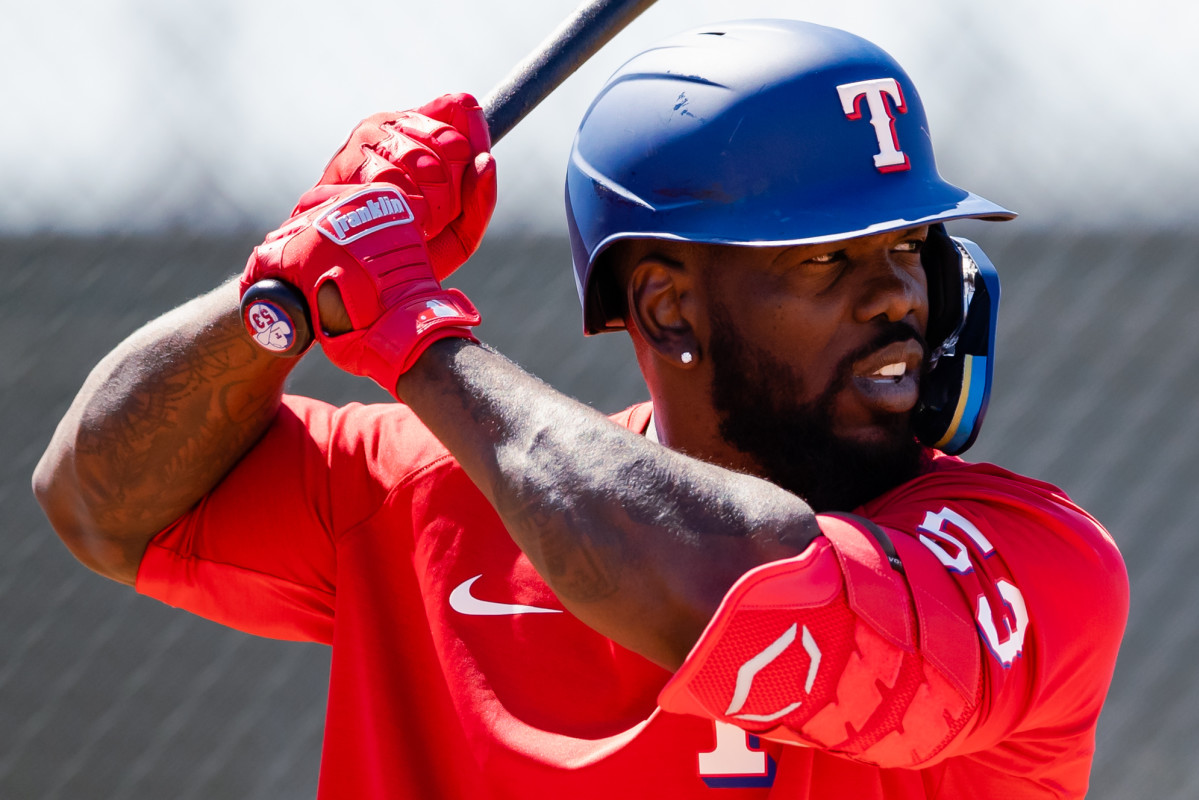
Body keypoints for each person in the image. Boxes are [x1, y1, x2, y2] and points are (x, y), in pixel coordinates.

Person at [33, 19, 1127, 799]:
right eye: (828, 256)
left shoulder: (1026, 559)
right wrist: (283, 292)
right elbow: (97, 494)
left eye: (907, 247)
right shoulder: (432, 494)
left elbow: (714, 581)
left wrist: (413, 332)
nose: (897, 292)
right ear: (666, 304)